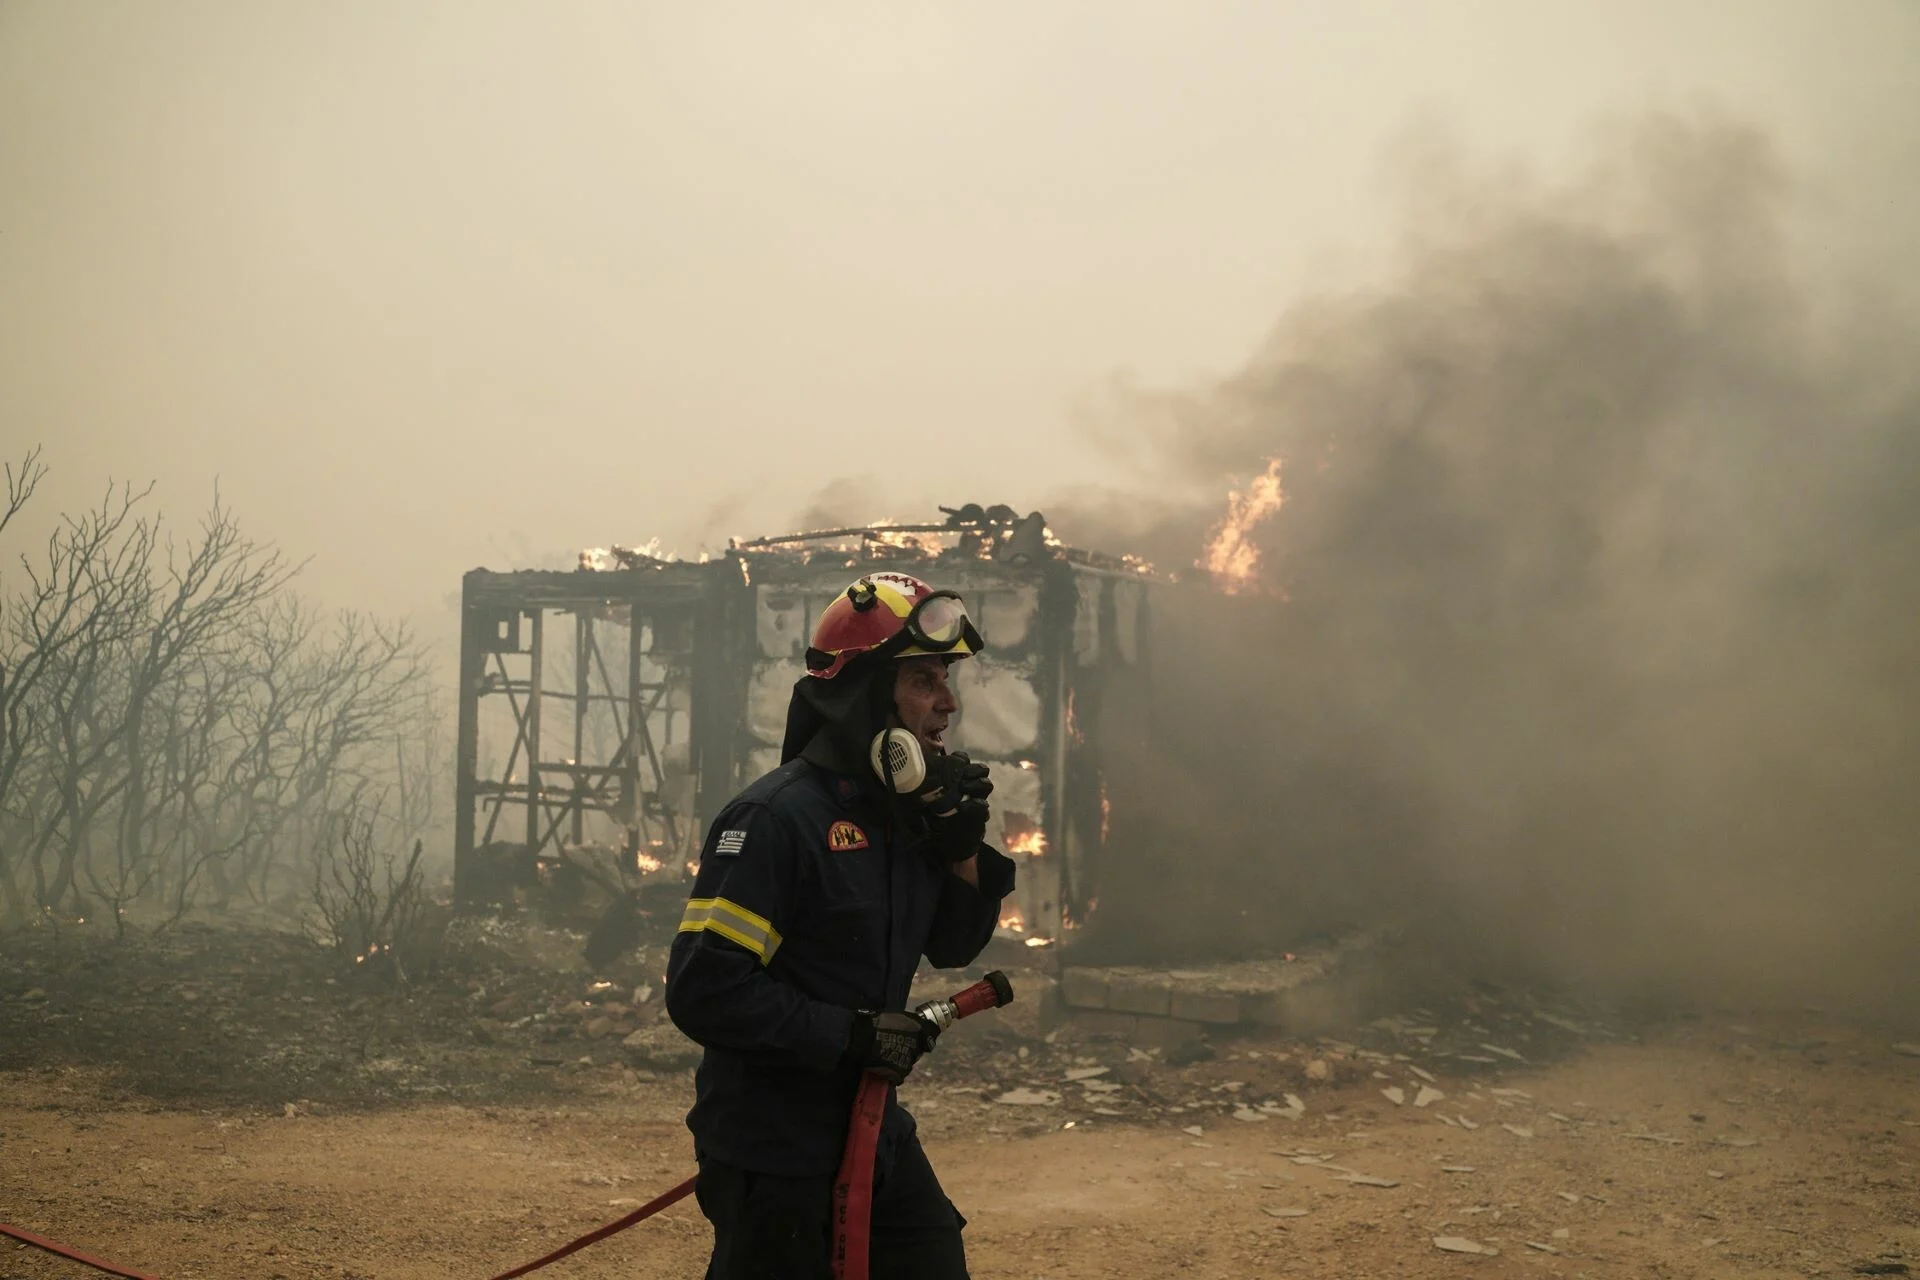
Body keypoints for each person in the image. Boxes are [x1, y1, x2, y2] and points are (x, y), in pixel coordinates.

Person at [666, 571, 1016, 1280]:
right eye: (924, 680)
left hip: (872, 1131)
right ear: (865, 692)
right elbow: (705, 988)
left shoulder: (902, 820)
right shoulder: (775, 821)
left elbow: (953, 945)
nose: (948, 703)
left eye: (947, 679)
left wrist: (957, 847)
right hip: (775, 1151)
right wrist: (853, 1035)